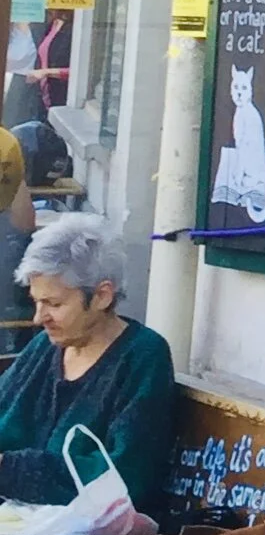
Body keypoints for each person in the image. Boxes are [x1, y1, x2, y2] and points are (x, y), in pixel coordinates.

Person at [0, 218, 174, 514]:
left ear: (102, 296)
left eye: (53, 304)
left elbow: (126, 475)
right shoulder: (44, 347)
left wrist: (10, 469)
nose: (38, 318)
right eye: (36, 302)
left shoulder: (143, 357)